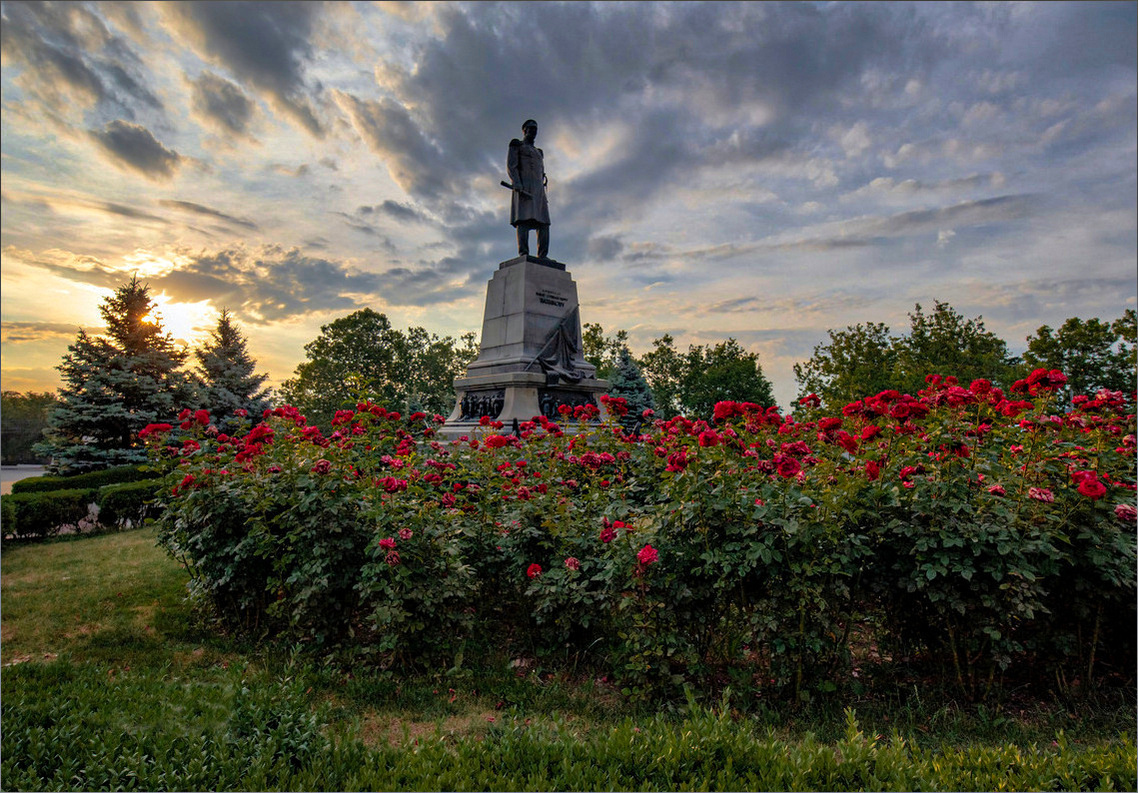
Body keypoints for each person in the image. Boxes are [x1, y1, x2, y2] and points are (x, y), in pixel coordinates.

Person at [507, 119, 551, 258]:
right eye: (530, 129)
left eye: (535, 129)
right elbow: (511, 165)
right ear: (524, 130)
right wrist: (516, 182)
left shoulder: (539, 152)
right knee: (523, 220)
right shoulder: (517, 145)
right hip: (523, 187)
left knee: (544, 223)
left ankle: (542, 256)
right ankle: (523, 253)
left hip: (538, 191)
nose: (533, 132)